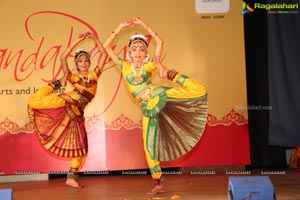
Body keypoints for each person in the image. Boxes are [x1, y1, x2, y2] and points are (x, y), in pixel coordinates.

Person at [104, 17, 208, 195]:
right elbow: (106, 47)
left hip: (159, 95)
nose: (138, 52)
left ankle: (176, 76)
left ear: (146, 53)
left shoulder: (150, 65)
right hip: (147, 108)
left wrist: (145, 26)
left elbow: (160, 41)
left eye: (142, 49)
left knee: (199, 91)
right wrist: (120, 27)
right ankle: (158, 181)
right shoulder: (124, 67)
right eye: (134, 48)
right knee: (148, 146)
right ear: (129, 51)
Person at [28, 32, 107, 188]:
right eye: (80, 60)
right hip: (65, 102)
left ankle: (71, 177)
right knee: (34, 100)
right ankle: (54, 85)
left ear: (89, 63)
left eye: (86, 60)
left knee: (82, 149)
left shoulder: (94, 75)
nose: (83, 63)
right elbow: (63, 58)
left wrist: (95, 39)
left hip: (77, 113)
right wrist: (75, 42)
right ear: (76, 64)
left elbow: (104, 54)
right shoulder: (72, 77)